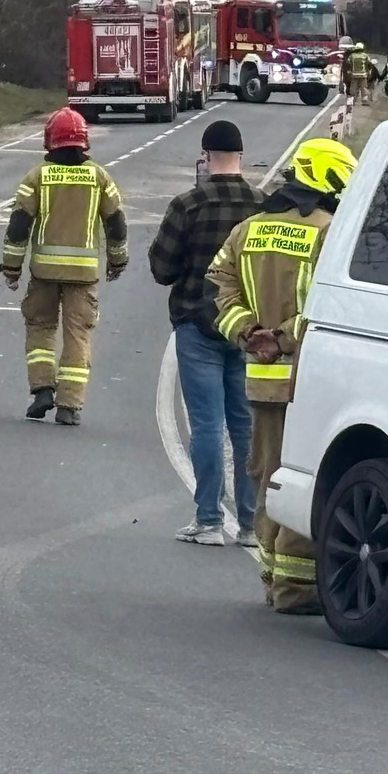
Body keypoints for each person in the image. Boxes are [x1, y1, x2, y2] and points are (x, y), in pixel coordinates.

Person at [208, 137, 357, 615]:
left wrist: (249, 335)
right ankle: (297, 589)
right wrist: (284, 337)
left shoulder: (247, 231)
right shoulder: (330, 231)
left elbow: (222, 296)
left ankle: (274, 579)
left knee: (267, 474)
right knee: (305, 478)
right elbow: (327, 307)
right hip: (310, 382)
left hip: (261, 378)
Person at [147, 120, 264, 548]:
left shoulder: (187, 205)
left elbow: (161, 270)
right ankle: (251, 525)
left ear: (205, 156)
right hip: (250, 331)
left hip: (198, 326)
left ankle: (210, 520)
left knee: (207, 425)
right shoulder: (263, 207)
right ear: (241, 155)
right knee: (246, 425)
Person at [0, 107, 127, 425]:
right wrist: (117, 260)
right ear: (84, 142)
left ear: (49, 141)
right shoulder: (100, 178)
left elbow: (18, 227)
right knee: (78, 337)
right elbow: (116, 224)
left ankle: (42, 389)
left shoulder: (37, 177)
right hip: (84, 277)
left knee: (40, 328)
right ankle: (69, 406)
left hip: (43, 273)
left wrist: (11, 268)